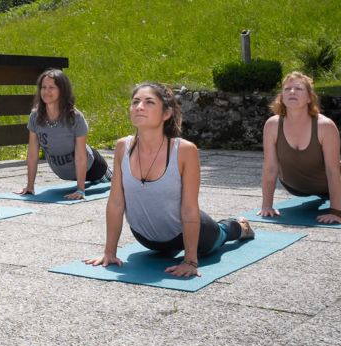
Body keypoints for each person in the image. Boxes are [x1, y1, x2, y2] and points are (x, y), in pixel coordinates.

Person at [85, 83, 256, 277]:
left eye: (149, 102)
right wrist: (109, 252)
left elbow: (190, 208)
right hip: (147, 238)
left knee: (222, 233)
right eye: (135, 102)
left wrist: (190, 261)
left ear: (166, 114)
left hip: (188, 231)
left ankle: (239, 226)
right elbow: (116, 203)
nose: (139, 106)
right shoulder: (123, 147)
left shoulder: (184, 151)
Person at [258, 71, 341, 224]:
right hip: (296, 187)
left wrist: (336, 211)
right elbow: (270, 168)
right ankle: (318, 197)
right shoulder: (272, 125)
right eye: (287, 89)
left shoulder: (325, 126)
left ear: (309, 98)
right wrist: (267, 206)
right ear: (281, 97)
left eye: (299, 89)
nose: (292, 92)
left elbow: (332, 170)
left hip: (331, 184)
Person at [15, 69, 112, 199]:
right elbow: (32, 154)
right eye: (43, 87)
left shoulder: (75, 118)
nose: (46, 91)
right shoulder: (35, 116)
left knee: (116, 184)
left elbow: (81, 157)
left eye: (51, 87)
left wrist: (80, 190)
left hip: (93, 168)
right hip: (66, 173)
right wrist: (30, 186)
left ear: (62, 91)